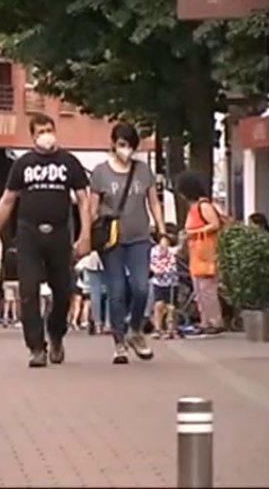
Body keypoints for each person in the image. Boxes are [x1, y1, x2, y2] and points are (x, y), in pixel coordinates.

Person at [0, 113, 91, 368]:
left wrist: (85, 234)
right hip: (29, 233)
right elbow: (7, 200)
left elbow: (84, 201)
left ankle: (56, 335)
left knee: (63, 291)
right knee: (28, 292)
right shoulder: (23, 164)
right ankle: (36, 347)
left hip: (59, 233)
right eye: (41, 131)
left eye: (49, 129)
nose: (46, 134)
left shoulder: (69, 162)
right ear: (33, 136)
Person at [90, 122, 167, 364]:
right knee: (116, 291)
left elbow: (154, 202)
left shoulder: (143, 170)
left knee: (141, 287)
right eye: (122, 145)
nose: (126, 150)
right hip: (112, 240)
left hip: (140, 238)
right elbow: (92, 208)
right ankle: (119, 342)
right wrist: (89, 236)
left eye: (130, 146)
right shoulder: (100, 172)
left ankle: (135, 330)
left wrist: (162, 231)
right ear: (113, 144)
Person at [177, 170, 226, 335]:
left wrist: (194, 232)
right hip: (196, 254)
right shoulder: (193, 208)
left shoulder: (203, 206)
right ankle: (205, 321)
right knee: (199, 289)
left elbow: (214, 224)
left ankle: (215, 321)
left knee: (207, 289)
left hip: (206, 252)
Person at [149, 232, 178, 339]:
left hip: (171, 282)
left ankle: (171, 329)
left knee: (171, 307)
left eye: (167, 242)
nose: (164, 244)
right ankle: (158, 328)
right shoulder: (153, 251)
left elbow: (174, 263)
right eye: (163, 241)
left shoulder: (172, 252)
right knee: (159, 304)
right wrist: (156, 270)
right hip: (158, 281)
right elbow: (150, 264)